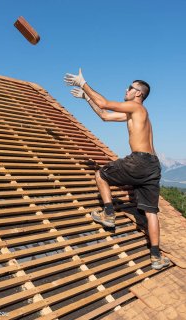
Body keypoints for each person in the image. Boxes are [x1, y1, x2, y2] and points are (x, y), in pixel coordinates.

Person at [64, 69, 170, 270]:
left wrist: (83, 83)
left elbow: (104, 103)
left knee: (101, 174)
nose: (126, 89)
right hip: (152, 166)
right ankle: (156, 257)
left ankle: (108, 213)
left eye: (130, 88)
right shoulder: (137, 114)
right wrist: (87, 98)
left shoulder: (135, 107)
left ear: (138, 93)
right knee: (151, 212)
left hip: (139, 161)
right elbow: (104, 115)